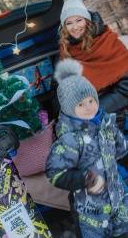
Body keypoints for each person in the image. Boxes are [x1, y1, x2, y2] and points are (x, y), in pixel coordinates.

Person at [46, 58, 128, 238]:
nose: (89, 108)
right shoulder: (69, 139)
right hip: (91, 213)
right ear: (69, 108)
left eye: (91, 100)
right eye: (81, 105)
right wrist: (85, 179)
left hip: (119, 201)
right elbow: (55, 172)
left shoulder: (106, 124)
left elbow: (123, 151)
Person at [58, 0, 128, 131]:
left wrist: (96, 111)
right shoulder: (65, 51)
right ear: (65, 28)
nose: (75, 27)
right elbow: (67, 91)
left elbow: (126, 87)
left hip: (118, 111)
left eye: (79, 20)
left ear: (87, 20)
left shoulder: (109, 43)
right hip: (86, 118)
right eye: (69, 23)